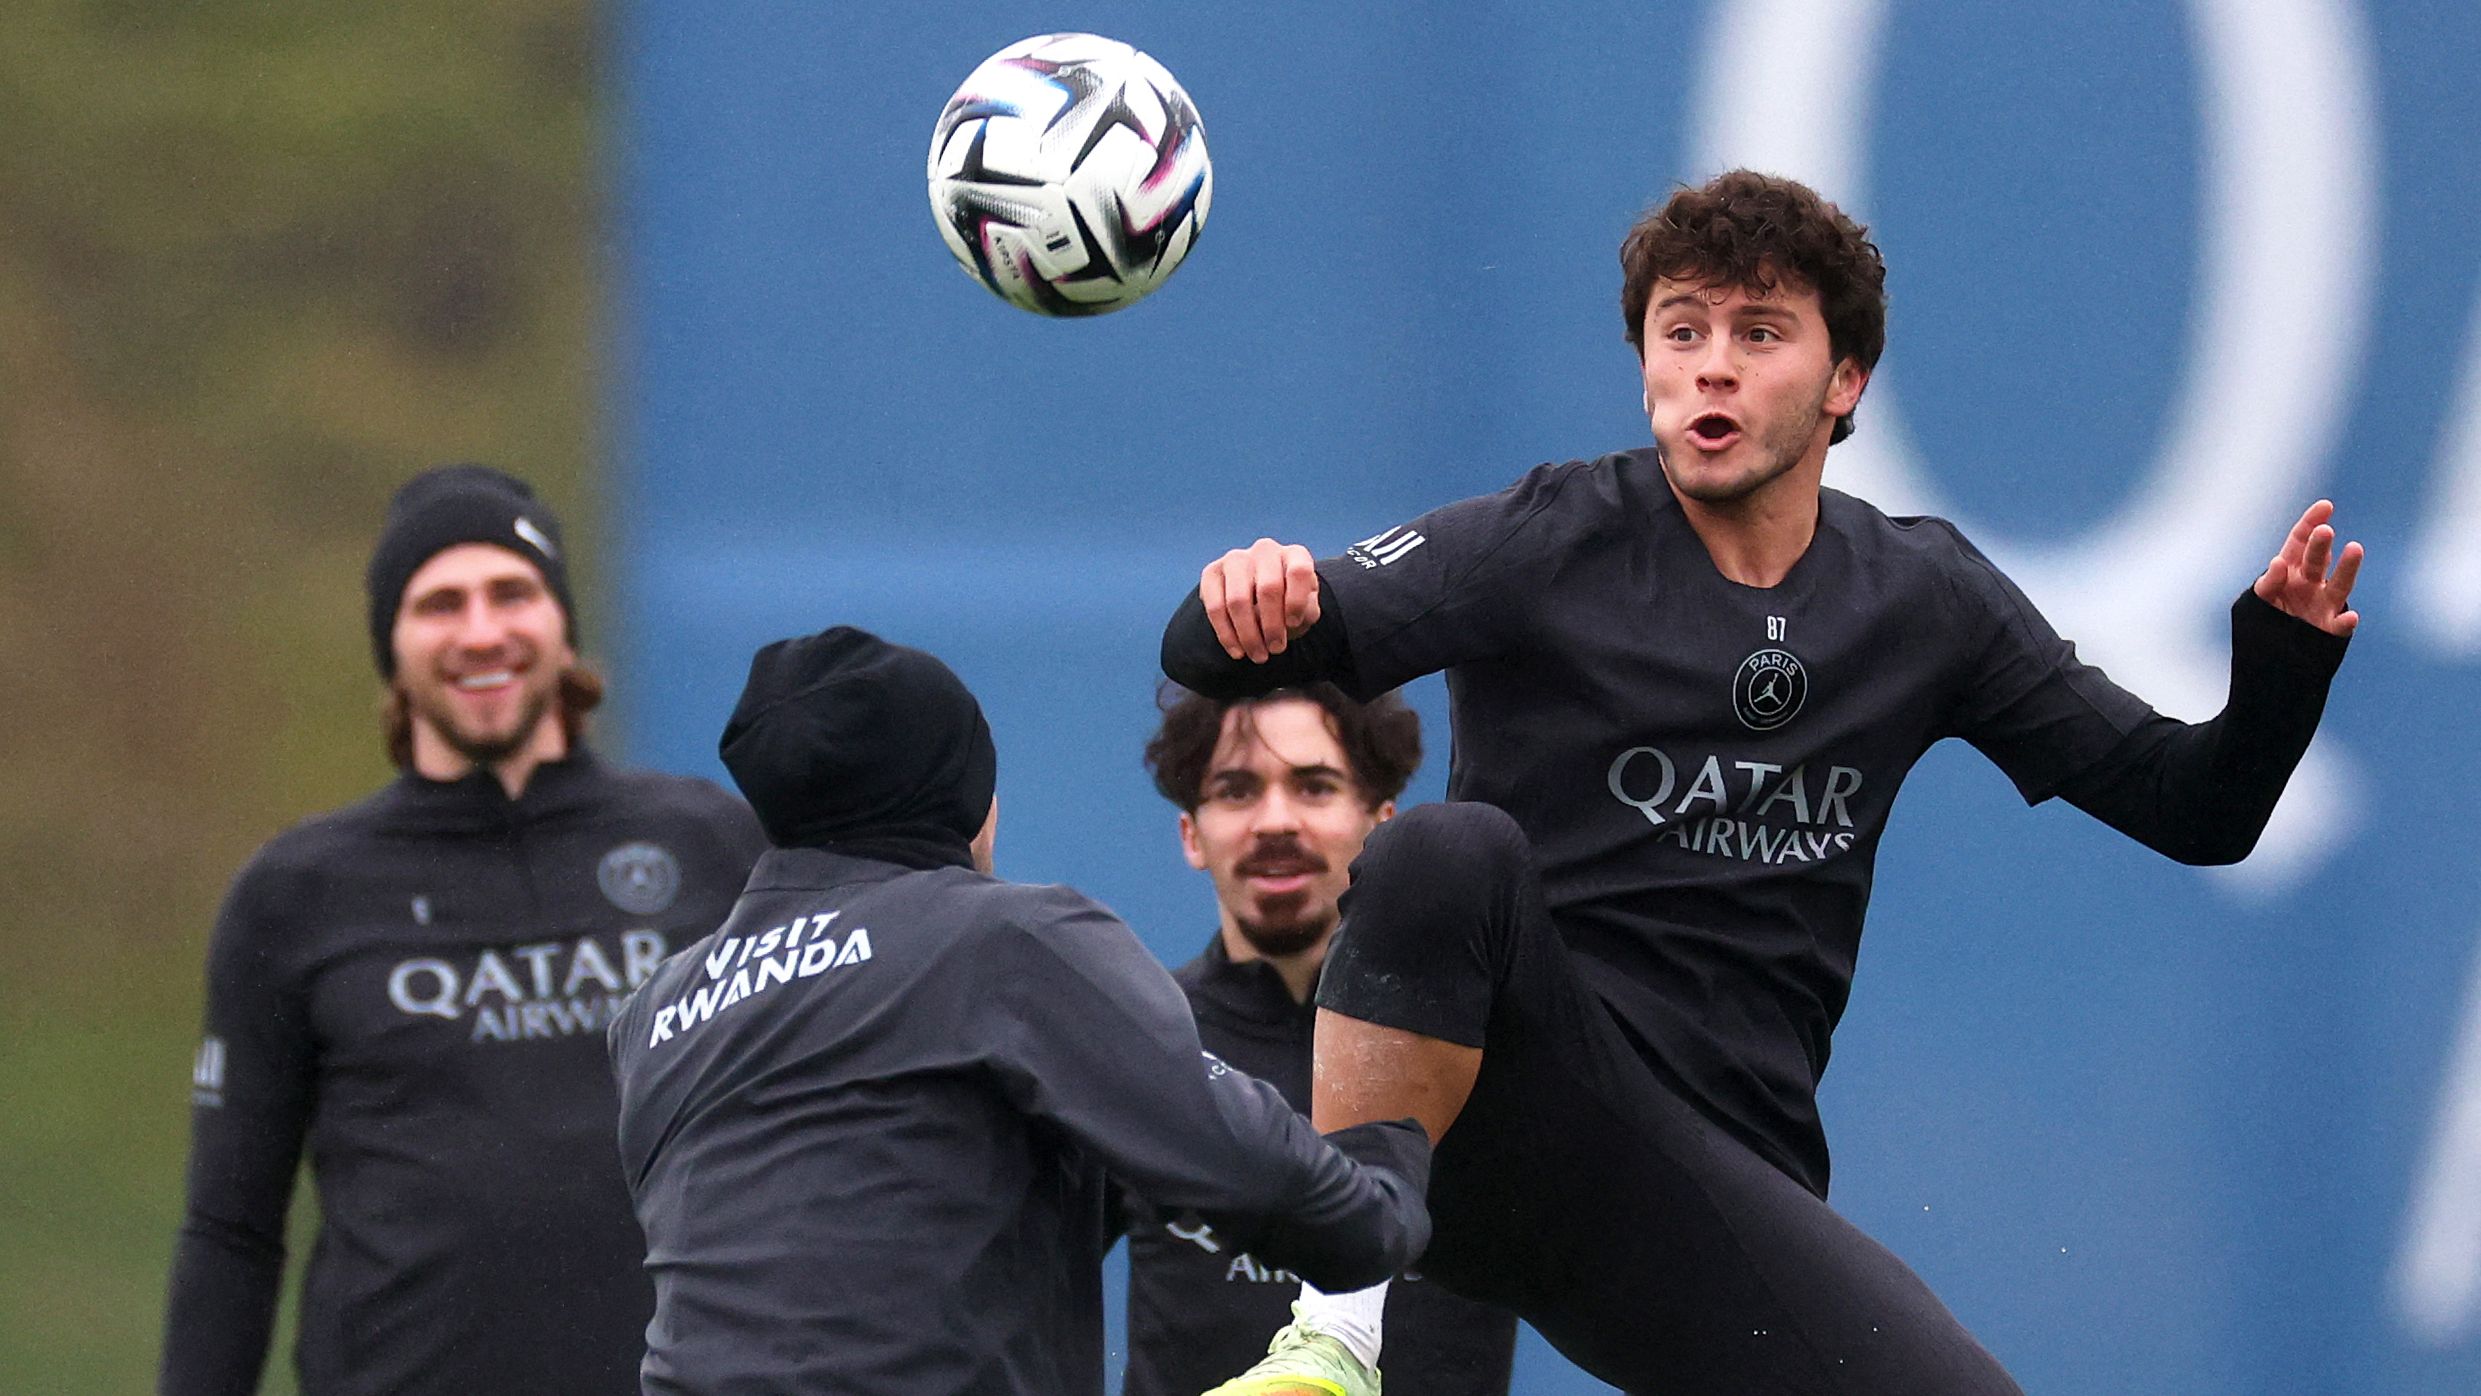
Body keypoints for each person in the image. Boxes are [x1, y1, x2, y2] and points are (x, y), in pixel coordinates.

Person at [1160, 170, 2362, 1394]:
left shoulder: (1923, 600)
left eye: (1759, 331)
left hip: (1712, 1190)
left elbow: (2196, 809)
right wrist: (1247, 599)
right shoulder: (1547, 536)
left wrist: (2281, 678)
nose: (1711, 366)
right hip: (1490, 1121)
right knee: (1442, 851)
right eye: (1680, 330)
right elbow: (1208, 653)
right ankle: (1330, 1337)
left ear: (1847, 386)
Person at [605, 626, 1435, 1396]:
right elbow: (1285, 1193)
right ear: (966, 796)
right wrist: (1385, 1169)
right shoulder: (999, 939)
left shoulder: (656, 1013)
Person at [159, 465, 768, 1396]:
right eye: (440, 603)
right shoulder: (295, 896)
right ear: (391, 648)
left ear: (562, 622)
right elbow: (231, 1230)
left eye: (511, 594)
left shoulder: (717, 846)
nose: (481, 632)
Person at [1123, 683, 1518, 1396]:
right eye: (1236, 791)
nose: (1275, 821)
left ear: (1382, 825)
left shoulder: (1487, 1053)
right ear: (1191, 833)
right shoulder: (1136, 1043)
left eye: (1314, 786)